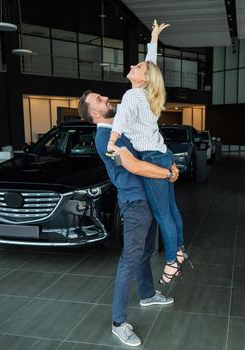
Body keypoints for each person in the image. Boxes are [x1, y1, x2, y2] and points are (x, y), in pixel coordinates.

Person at [78, 90, 179, 347]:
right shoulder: (104, 139)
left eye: (103, 96)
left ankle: (146, 294)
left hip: (150, 196)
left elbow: (150, 148)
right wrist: (167, 173)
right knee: (130, 259)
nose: (106, 99)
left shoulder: (121, 128)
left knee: (146, 251)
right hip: (136, 203)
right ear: (94, 113)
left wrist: (170, 164)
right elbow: (135, 166)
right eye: (100, 100)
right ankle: (118, 323)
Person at [107, 20, 190, 286]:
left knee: (162, 214)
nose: (133, 66)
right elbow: (150, 66)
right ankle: (179, 250)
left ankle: (171, 262)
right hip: (163, 155)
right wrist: (153, 38)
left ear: (143, 78)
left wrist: (112, 139)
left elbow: (119, 121)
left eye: (137, 67)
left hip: (153, 158)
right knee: (172, 210)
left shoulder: (133, 96)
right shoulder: (147, 93)